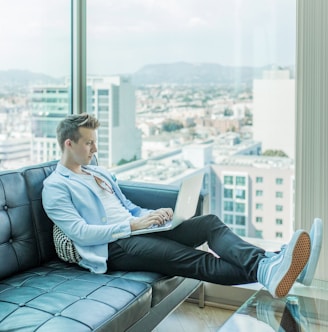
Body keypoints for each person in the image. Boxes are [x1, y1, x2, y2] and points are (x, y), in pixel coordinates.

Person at [42, 113, 322, 299]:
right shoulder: (55, 186)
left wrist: (150, 216)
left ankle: (272, 265)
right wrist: (131, 225)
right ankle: (276, 266)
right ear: (69, 143)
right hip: (114, 247)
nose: (94, 149)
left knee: (209, 223)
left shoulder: (97, 172)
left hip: (139, 230)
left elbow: (125, 204)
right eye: (89, 143)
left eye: (95, 142)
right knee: (193, 259)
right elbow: (80, 232)